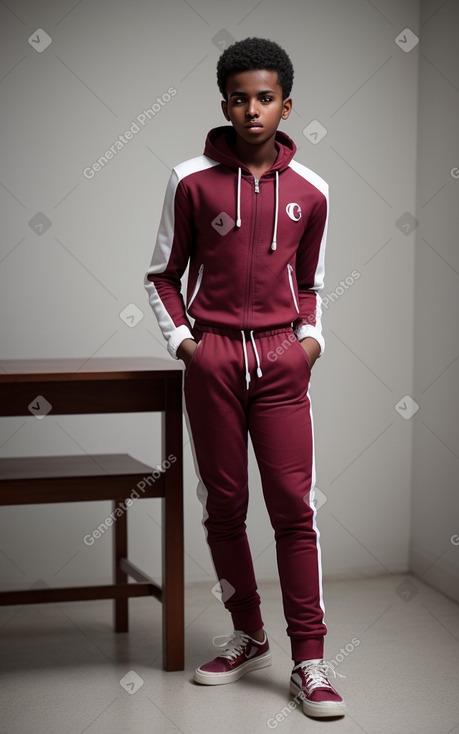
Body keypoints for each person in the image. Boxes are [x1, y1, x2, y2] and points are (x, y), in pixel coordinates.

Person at [144, 37, 345, 719]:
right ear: (224, 103)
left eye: (264, 97)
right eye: (238, 97)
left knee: (293, 509)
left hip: (281, 361)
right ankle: (248, 633)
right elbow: (162, 276)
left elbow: (313, 281)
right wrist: (185, 344)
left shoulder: (312, 190)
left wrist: (309, 340)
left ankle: (310, 661)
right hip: (215, 361)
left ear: (286, 106)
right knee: (224, 507)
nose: (251, 109)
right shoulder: (190, 179)